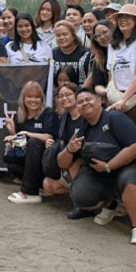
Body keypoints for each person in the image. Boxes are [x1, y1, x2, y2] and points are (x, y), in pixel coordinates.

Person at [59, 88, 136, 246]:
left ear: (99, 101)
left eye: (88, 99)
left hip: (130, 168)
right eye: (80, 102)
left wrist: (109, 166)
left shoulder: (114, 117)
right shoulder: (82, 129)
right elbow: (62, 163)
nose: (84, 103)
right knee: (80, 194)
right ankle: (111, 205)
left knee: (130, 179)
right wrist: (69, 149)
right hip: (101, 173)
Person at [41, 83, 93, 219]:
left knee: (76, 166)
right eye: (61, 96)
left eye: (68, 94)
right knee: (48, 184)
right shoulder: (64, 117)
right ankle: (80, 195)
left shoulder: (86, 116)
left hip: (86, 161)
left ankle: (84, 205)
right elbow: (62, 140)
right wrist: (52, 142)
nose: (64, 98)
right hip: (67, 160)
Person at [5, 81, 59, 204]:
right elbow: (20, 143)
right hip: (31, 161)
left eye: (37, 97)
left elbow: (48, 137)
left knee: (35, 143)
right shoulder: (20, 115)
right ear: (23, 98)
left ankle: (29, 193)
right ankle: (39, 186)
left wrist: (26, 133)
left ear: (42, 99)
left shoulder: (48, 113)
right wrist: (13, 133)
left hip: (48, 161)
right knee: (11, 162)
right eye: (29, 96)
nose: (33, 100)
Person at [106, 4, 136, 136]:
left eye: (128, 17)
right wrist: (109, 95)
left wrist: (124, 100)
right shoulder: (113, 44)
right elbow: (111, 73)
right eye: (120, 17)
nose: (123, 20)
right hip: (115, 99)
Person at [51, 20, 89, 87]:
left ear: (73, 35)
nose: (61, 38)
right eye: (58, 35)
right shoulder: (52, 54)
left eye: (65, 34)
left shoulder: (85, 53)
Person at [84, 20, 114, 99]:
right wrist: (106, 91)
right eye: (97, 35)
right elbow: (98, 85)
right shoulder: (99, 58)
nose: (102, 37)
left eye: (105, 32)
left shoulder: (125, 51)